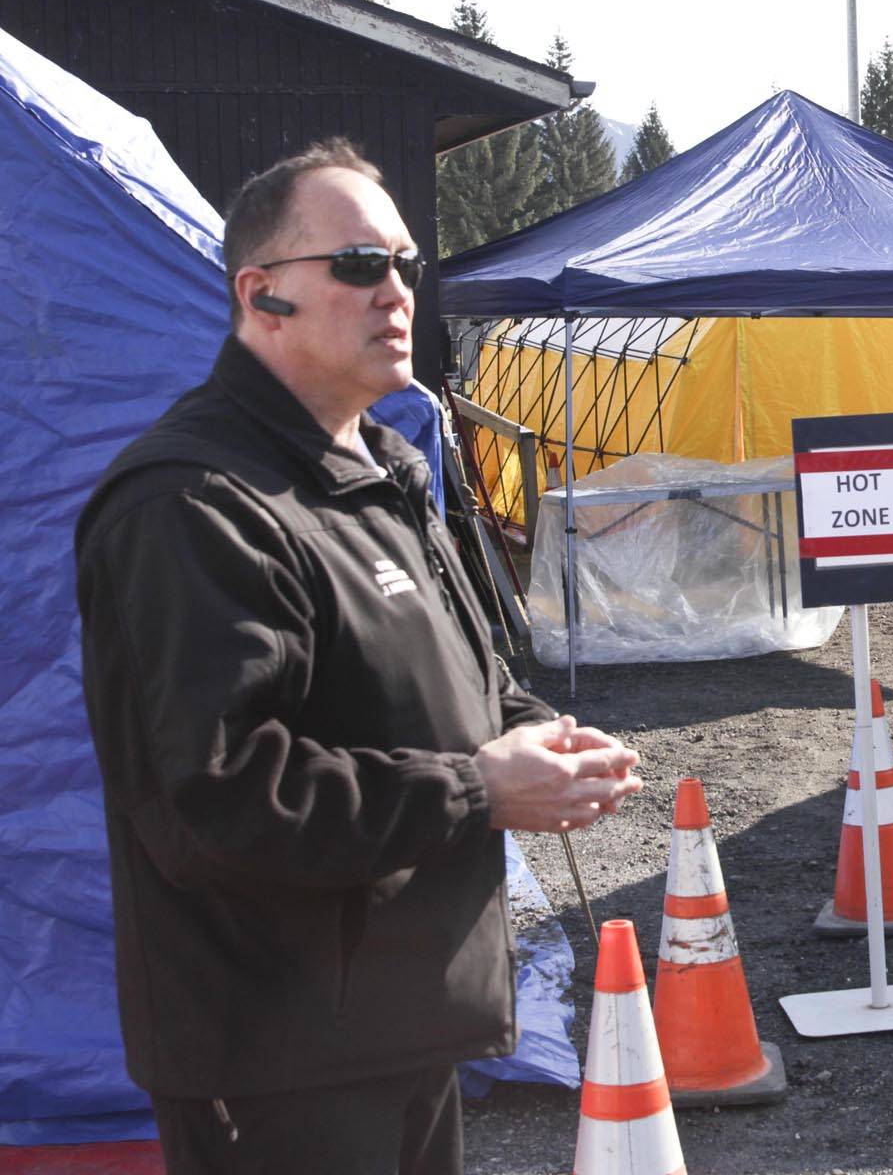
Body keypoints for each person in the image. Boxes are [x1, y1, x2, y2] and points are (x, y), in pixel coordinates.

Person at [74, 138, 638, 1174]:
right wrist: (477, 788)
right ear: (262, 296)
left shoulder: (384, 468)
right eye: (357, 265)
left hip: (403, 1024)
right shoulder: (194, 505)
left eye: (405, 265)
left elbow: (466, 674)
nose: (396, 293)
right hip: (276, 1061)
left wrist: (527, 735)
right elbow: (220, 799)